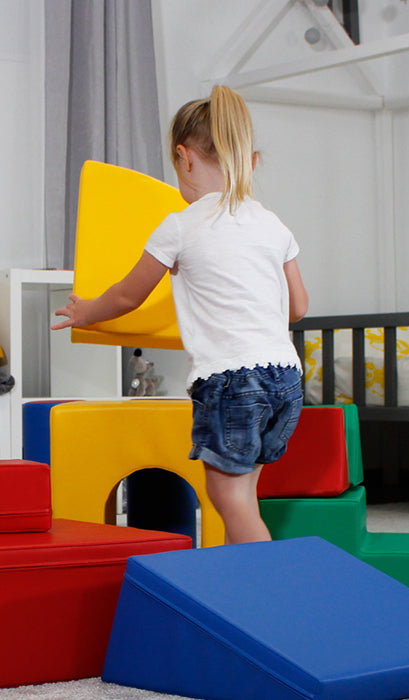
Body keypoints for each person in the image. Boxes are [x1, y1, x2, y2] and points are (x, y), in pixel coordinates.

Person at [51, 85, 308, 545]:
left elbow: (129, 295)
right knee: (243, 492)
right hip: (286, 377)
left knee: (227, 498)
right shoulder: (271, 222)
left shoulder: (180, 225)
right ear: (250, 162)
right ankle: (240, 583)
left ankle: (268, 591)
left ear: (184, 159)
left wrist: (87, 312)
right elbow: (300, 306)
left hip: (232, 380)